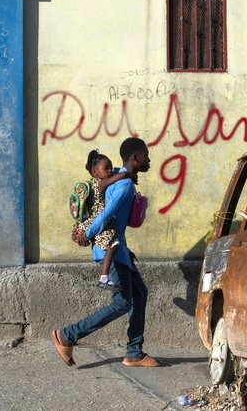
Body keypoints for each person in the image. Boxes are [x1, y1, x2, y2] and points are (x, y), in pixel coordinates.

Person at [52, 137, 159, 367]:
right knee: (122, 303)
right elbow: (106, 215)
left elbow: (104, 187)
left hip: (119, 250)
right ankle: (67, 335)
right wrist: (87, 233)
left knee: (139, 293)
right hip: (109, 249)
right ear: (135, 158)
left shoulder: (117, 176)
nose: (149, 160)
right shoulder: (124, 185)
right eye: (146, 155)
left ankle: (134, 352)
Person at [73, 149, 128, 291]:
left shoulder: (92, 183)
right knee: (113, 242)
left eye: (111, 167)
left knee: (111, 242)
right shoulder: (100, 184)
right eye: (106, 168)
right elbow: (115, 178)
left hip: (88, 222)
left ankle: (104, 277)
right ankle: (103, 277)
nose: (110, 171)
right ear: (95, 172)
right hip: (96, 220)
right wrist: (125, 173)